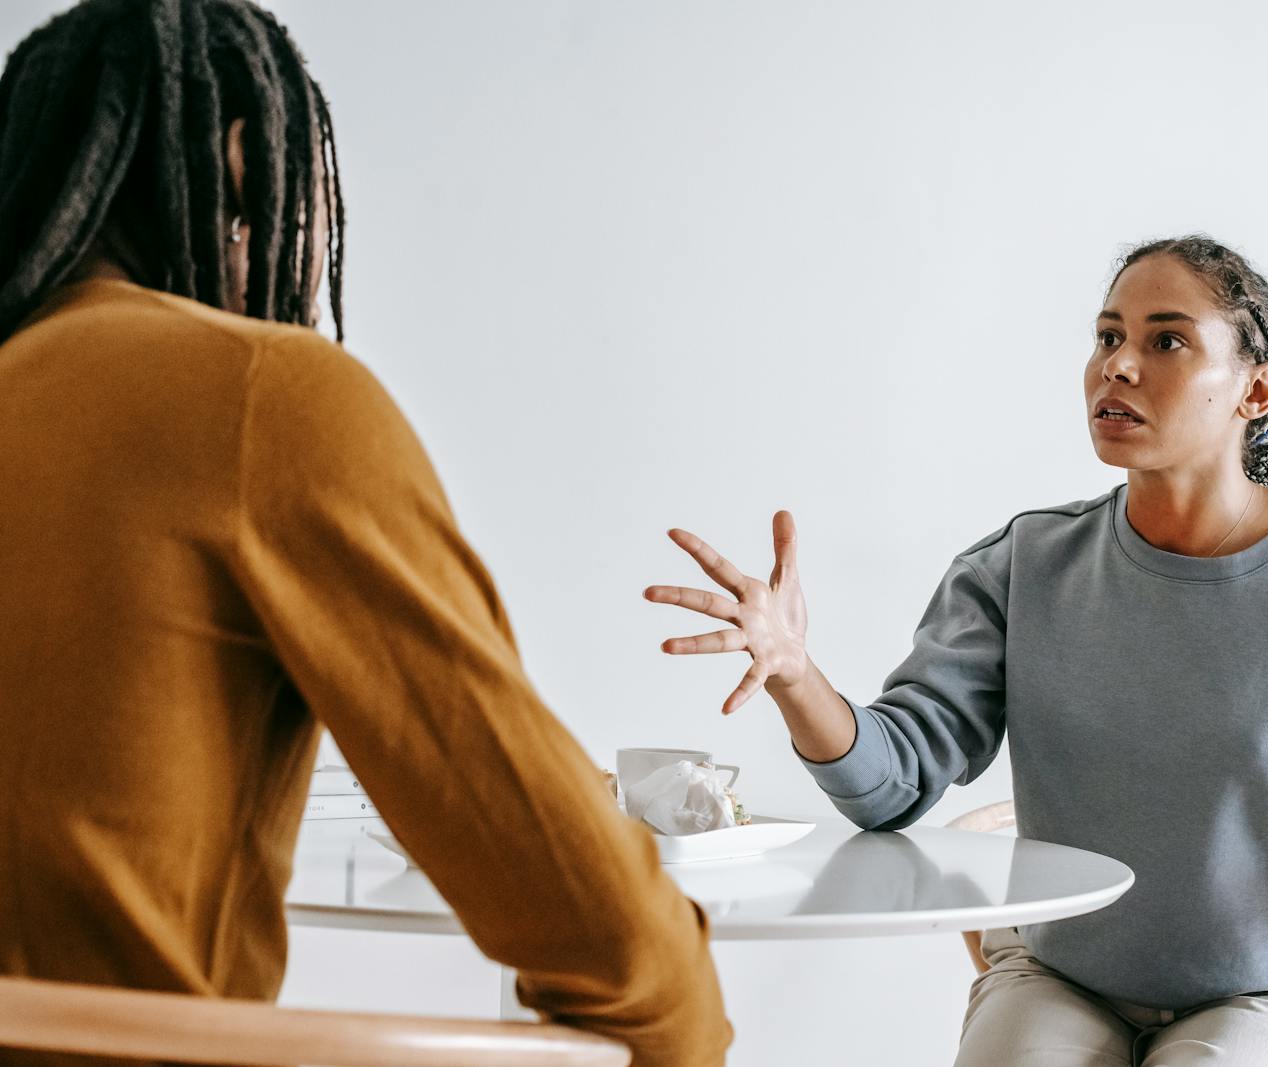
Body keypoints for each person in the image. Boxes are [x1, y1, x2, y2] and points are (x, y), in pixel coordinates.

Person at [0, 2, 730, 1065]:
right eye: (310, 217)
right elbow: (601, 924)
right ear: (244, 170)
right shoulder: (260, 400)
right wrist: (691, 1029)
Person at [646, 235, 1268, 1066]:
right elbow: (894, 783)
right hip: (1063, 976)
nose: (1119, 365)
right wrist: (799, 675)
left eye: (1166, 340)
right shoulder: (1022, 566)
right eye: (1108, 336)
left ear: (1257, 390)